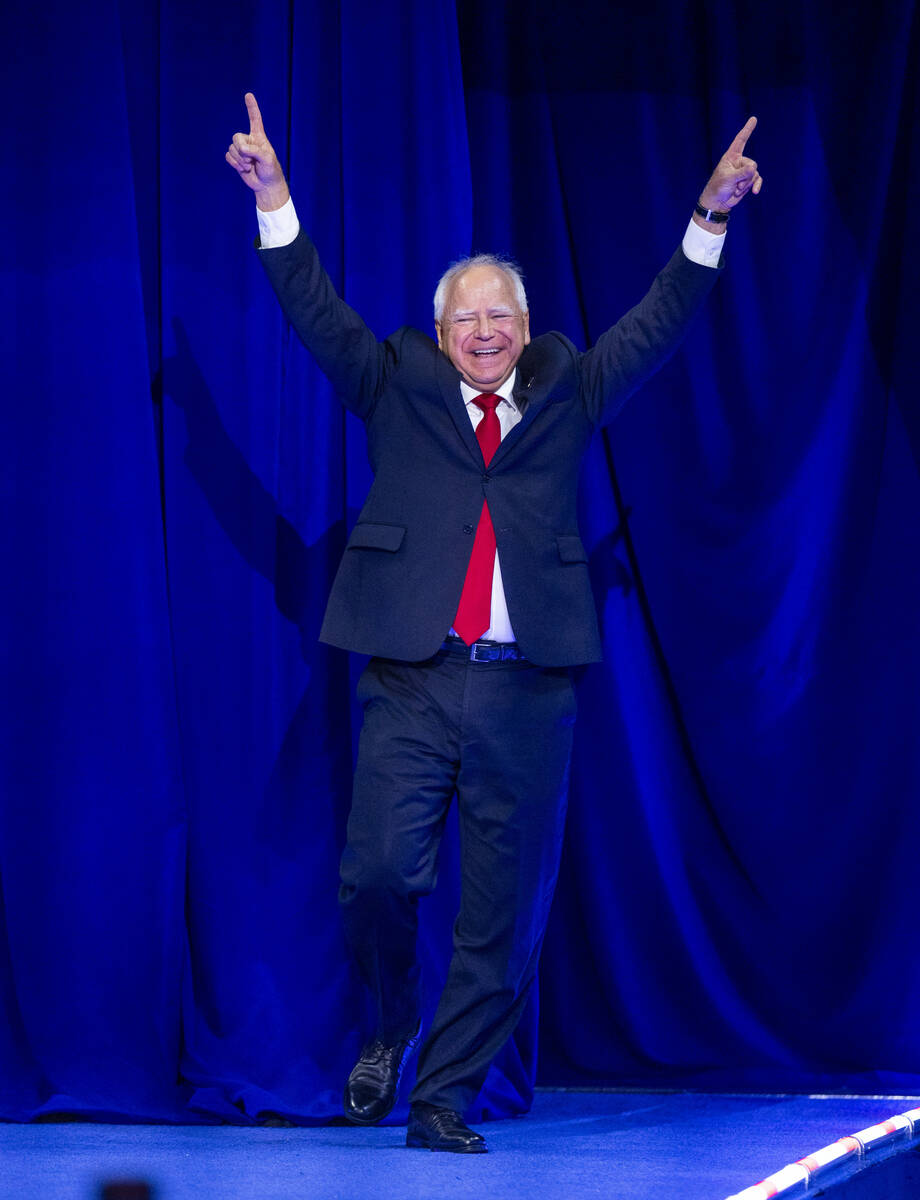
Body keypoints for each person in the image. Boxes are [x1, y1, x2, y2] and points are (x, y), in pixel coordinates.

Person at [226, 92, 761, 1153]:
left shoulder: (566, 389)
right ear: (439, 333)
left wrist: (707, 217)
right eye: (466, 316)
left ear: (522, 331)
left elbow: (654, 322)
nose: (483, 331)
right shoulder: (395, 384)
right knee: (377, 872)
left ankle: (443, 1097)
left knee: (501, 914)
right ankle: (387, 1028)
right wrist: (275, 201)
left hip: (527, 686)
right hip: (413, 675)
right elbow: (313, 311)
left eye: (500, 317)